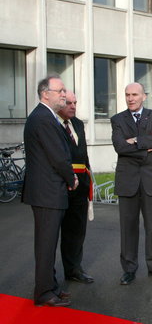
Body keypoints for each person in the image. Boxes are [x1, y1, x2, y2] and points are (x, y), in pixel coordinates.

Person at [23, 76, 79, 307]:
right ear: (46, 93)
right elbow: (57, 156)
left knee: (49, 242)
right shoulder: (43, 118)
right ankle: (44, 292)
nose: (64, 95)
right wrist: (71, 177)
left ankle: (50, 286)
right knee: (46, 244)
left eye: (64, 91)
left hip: (48, 190)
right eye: (60, 90)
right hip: (47, 191)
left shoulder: (46, 117)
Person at [111, 82, 152, 285]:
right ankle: (129, 269)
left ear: (144, 96)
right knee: (128, 227)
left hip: (151, 180)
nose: (130, 98)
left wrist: (134, 141)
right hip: (128, 180)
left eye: (134, 94)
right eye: (127, 94)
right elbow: (120, 147)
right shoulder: (118, 119)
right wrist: (146, 143)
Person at [57, 91, 94, 284]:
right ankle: (49, 277)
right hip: (60, 185)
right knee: (54, 232)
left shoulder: (78, 124)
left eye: (75, 102)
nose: (73, 106)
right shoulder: (53, 124)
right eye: (68, 103)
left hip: (81, 186)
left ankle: (74, 269)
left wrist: (89, 178)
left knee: (77, 230)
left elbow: (83, 154)